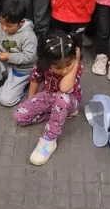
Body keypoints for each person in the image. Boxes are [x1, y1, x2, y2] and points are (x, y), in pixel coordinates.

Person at [13, 31, 84, 165]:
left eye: (68, 65)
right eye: (58, 67)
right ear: (47, 62)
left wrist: (76, 61)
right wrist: (31, 101)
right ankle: (56, 116)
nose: (64, 71)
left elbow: (64, 88)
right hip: (49, 97)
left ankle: (49, 138)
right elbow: (35, 79)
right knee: (19, 117)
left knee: (62, 97)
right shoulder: (43, 65)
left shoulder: (76, 66)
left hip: (70, 102)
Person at [0, 0, 38, 106]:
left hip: (21, 70)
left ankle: (23, 82)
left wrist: (9, 56)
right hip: (4, 63)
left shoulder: (28, 36)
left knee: (5, 100)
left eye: (9, 26)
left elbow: (29, 57)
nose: (4, 28)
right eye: (1, 23)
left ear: (21, 23)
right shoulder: (2, 24)